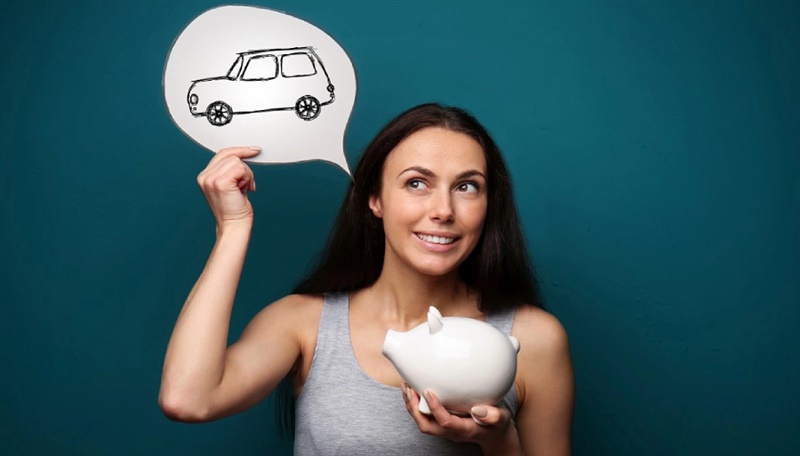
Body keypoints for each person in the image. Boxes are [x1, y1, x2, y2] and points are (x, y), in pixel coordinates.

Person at [159, 103, 574, 455]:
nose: (443, 210)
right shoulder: (304, 325)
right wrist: (232, 226)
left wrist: (500, 441)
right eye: (416, 183)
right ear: (374, 199)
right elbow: (188, 399)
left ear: (488, 206)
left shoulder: (533, 339)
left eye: (467, 186)